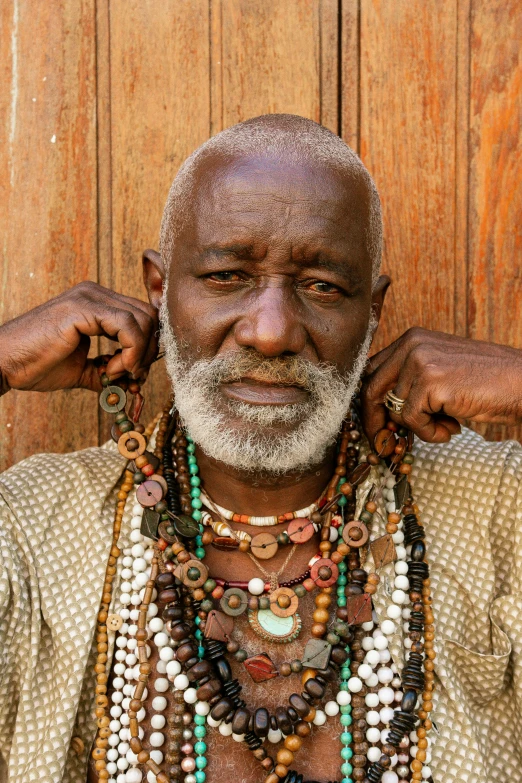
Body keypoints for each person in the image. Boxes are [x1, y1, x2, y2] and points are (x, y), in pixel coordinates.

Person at [0, 114, 520, 783]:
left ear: (373, 311)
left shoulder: (494, 507)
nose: (271, 331)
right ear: (160, 291)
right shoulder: (38, 525)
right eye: (226, 276)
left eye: (323, 286)